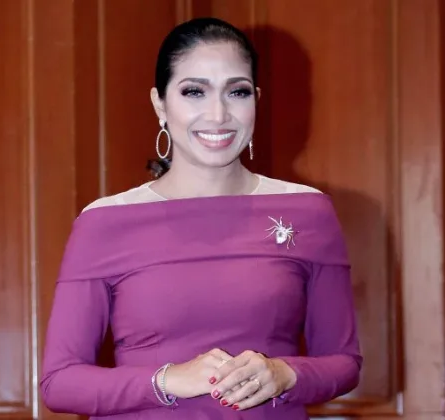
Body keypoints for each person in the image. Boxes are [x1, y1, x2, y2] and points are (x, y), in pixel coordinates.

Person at [40, 17, 362, 420]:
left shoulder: (309, 212)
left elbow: (344, 362)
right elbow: (59, 381)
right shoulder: (104, 222)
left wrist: (285, 374)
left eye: (237, 92)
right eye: (194, 91)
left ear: (256, 99)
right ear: (160, 103)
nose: (218, 113)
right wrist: (167, 380)